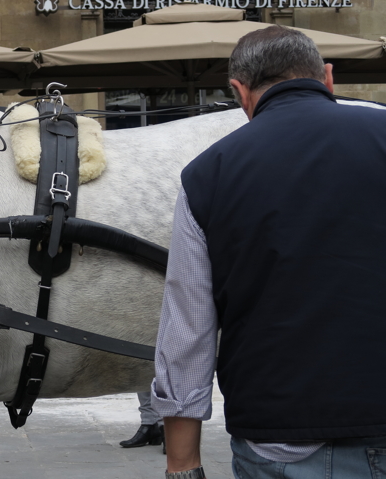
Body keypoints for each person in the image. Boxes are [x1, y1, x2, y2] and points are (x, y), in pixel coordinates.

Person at [153, 26, 386, 479]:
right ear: (328, 77)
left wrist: (182, 466)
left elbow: (187, 330)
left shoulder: (207, 176)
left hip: (280, 438)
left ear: (240, 92)